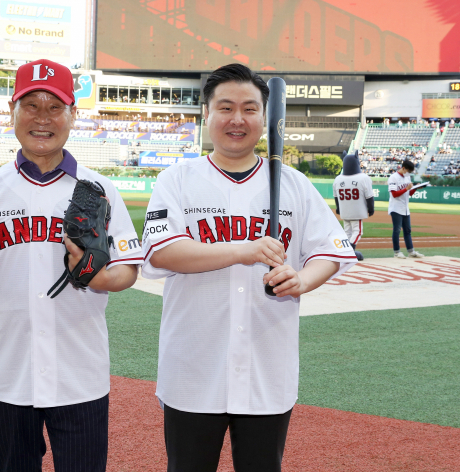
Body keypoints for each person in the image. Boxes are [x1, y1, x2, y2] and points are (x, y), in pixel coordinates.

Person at [141, 63, 357, 472]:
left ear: (265, 117)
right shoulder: (178, 179)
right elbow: (161, 252)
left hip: (266, 367)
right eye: (225, 108)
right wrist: (244, 250)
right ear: (206, 114)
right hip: (193, 368)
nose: (237, 119)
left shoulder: (294, 184)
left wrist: (302, 279)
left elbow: (331, 250)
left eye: (249, 109)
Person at [0, 59, 142, 472]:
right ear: (12, 111)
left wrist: (96, 276)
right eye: (31, 105)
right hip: (8, 374)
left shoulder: (100, 189)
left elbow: (128, 269)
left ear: (72, 115)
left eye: (54, 107)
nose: (42, 118)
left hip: (80, 375)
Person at [333, 150, 375, 261]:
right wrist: (371, 209)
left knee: (347, 232)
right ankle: (350, 251)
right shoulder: (363, 178)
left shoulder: (338, 179)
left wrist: (338, 209)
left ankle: (345, 251)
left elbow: (336, 197)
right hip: (357, 210)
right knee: (358, 231)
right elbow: (369, 196)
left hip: (345, 210)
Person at [388, 159, 425, 258]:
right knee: (397, 230)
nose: (409, 173)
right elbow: (394, 194)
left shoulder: (407, 177)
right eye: (408, 171)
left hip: (405, 208)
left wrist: (416, 188)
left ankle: (411, 251)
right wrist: (406, 188)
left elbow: (409, 193)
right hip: (395, 208)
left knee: (407, 230)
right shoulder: (393, 177)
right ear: (403, 168)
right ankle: (396, 252)